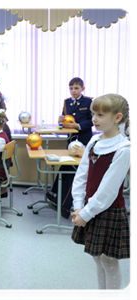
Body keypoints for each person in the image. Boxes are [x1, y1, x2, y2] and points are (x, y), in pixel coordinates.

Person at [71, 94, 132, 300]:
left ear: (117, 117)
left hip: (108, 211)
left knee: (109, 261)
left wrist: (86, 213)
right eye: (93, 114)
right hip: (90, 209)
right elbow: (81, 175)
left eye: (100, 115)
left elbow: (107, 191)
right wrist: (78, 206)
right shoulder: (95, 140)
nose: (94, 119)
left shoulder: (123, 149)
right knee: (98, 258)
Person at [47, 77, 93, 219]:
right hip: (71, 140)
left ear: (82, 89)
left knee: (75, 171)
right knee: (65, 165)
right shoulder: (67, 102)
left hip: (83, 140)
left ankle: (65, 205)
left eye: (76, 88)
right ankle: (56, 195)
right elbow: (65, 119)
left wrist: (77, 126)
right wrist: (61, 121)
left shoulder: (89, 102)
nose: (73, 91)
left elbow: (92, 120)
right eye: (71, 88)